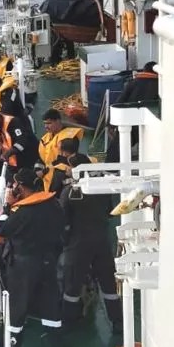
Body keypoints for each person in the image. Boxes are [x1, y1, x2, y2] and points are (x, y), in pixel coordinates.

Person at [0, 168, 66, 345]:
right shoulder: (53, 204)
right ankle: (54, 335)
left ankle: (13, 338)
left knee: (18, 300)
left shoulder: (23, 212)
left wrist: (6, 207)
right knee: (49, 296)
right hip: (49, 258)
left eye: (14, 184)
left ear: (20, 187)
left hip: (24, 263)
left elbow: (2, 230)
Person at [58, 139, 121, 333]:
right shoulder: (102, 189)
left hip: (78, 244)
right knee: (109, 285)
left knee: (72, 286)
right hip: (102, 241)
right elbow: (111, 212)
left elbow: (63, 222)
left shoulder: (69, 192)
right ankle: (117, 323)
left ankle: (69, 322)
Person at [38, 109, 85, 190]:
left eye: (49, 123)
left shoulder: (69, 138)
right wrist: (38, 169)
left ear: (58, 121)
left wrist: (44, 171)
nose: (46, 126)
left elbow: (65, 159)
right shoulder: (45, 138)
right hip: (47, 179)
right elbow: (42, 158)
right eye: (45, 123)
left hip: (63, 177)